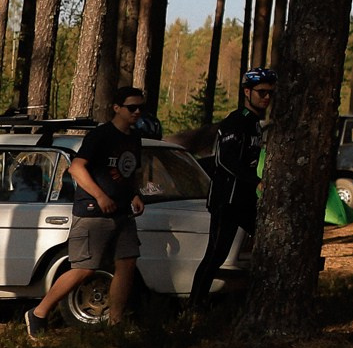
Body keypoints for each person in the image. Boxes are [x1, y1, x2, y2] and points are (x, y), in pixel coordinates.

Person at [24, 87, 152, 334]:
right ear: (117, 108)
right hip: (93, 214)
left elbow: (129, 171)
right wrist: (100, 196)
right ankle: (38, 312)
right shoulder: (101, 136)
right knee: (84, 268)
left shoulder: (134, 138)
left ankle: (116, 323)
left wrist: (135, 194)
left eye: (141, 108)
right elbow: (77, 169)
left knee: (127, 263)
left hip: (123, 213)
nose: (137, 112)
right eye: (132, 107)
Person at [173, 68, 274, 308]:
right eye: (261, 92)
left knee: (269, 241)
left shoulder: (255, 124)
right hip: (226, 200)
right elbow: (225, 160)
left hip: (245, 198)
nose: (266, 98)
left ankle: (254, 299)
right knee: (216, 254)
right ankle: (194, 307)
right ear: (247, 92)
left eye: (271, 93)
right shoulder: (236, 122)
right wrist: (255, 180)